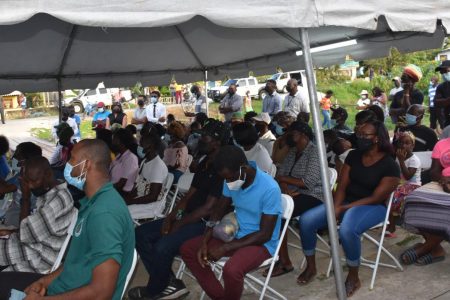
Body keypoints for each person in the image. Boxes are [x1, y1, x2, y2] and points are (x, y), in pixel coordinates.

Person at [0, 139, 135, 299]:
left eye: (72, 159)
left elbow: (102, 292)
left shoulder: (104, 213)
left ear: (86, 165)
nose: (67, 165)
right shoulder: (91, 203)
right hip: (60, 286)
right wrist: (43, 282)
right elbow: (73, 262)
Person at [298, 120, 400, 297]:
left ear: (377, 138)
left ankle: (353, 276)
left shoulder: (389, 165)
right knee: (307, 220)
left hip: (373, 207)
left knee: (347, 229)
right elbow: (342, 186)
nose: (360, 138)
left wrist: (343, 209)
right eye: (358, 134)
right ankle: (311, 267)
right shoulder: (353, 156)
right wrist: (336, 207)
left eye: (365, 135)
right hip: (347, 202)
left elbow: (376, 197)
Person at [128, 121, 228, 300]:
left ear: (217, 142)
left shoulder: (223, 168)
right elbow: (189, 195)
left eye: (204, 137)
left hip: (205, 224)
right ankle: (168, 283)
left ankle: (154, 291)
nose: (199, 140)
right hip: (189, 217)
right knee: (140, 234)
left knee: (162, 246)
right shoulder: (205, 162)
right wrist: (171, 216)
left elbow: (209, 208)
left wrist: (179, 224)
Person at [180, 146, 282, 300]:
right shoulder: (232, 180)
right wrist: (205, 240)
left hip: (261, 244)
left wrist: (225, 247)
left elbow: (265, 234)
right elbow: (217, 212)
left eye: (230, 177)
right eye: (225, 178)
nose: (228, 182)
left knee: (232, 270)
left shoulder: (269, 188)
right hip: (235, 233)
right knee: (188, 249)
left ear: (243, 168)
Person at [0, 157, 76, 274]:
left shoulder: (54, 203)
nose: (29, 186)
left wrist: (25, 197)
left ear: (48, 174)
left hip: (40, 258)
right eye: (26, 181)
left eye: (33, 181)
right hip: (36, 245)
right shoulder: (54, 192)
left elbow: (24, 235)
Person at [268, 121, 324, 278]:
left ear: (303, 135)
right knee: (270, 210)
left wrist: (284, 180)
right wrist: (285, 186)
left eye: (291, 133)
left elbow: (308, 182)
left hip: (314, 195)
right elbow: (281, 174)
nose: (288, 136)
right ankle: (283, 260)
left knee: (275, 214)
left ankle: (285, 262)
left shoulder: (315, 152)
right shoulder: (293, 151)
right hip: (292, 193)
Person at [401, 137, 450, 266]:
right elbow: (434, 172)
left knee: (446, 210)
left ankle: (426, 248)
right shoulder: (441, 144)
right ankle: (435, 248)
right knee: (413, 201)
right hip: (442, 182)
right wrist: (444, 180)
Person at [387, 131, 421, 237]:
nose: (404, 145)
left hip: (413, 185)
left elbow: (408, 176)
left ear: (413, 145)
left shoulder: (414, 160)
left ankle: (392, 226)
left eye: (407, 143)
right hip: (401, 184)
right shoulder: (398, 157)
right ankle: (387, 220)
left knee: (395, 195)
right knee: (385, 191)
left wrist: (401, 161)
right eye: (401, 143)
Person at [1, 142, 42, 228]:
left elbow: (3, 189)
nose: (13, 157)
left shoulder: (26, 176)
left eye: (17, 154)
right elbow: (6, 184)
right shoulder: (22, 173)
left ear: (25, 159)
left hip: (21, 218)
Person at [125, 132, 168, 207]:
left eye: (141, 145)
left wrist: (130, 202)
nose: (139, 147)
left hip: (151, 205)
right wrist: (127, 199)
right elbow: (138, 186)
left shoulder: (158, 166)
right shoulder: (145, 161)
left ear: (150, 147)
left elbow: (153, 197)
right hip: (141, 198)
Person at [110, 129, 139, 196]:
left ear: (121, 142)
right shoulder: (119, 155)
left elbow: (122, 183)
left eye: (114, 139)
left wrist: (105, 190)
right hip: (113, 189)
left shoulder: (131, 158)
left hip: (122, 193)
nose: (112, 142)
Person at [434, 60, 450, 127]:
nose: (443, 73)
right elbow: (437, 102)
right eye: (442, 72)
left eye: (446, 71)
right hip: (447, 122)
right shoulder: (441, 87)